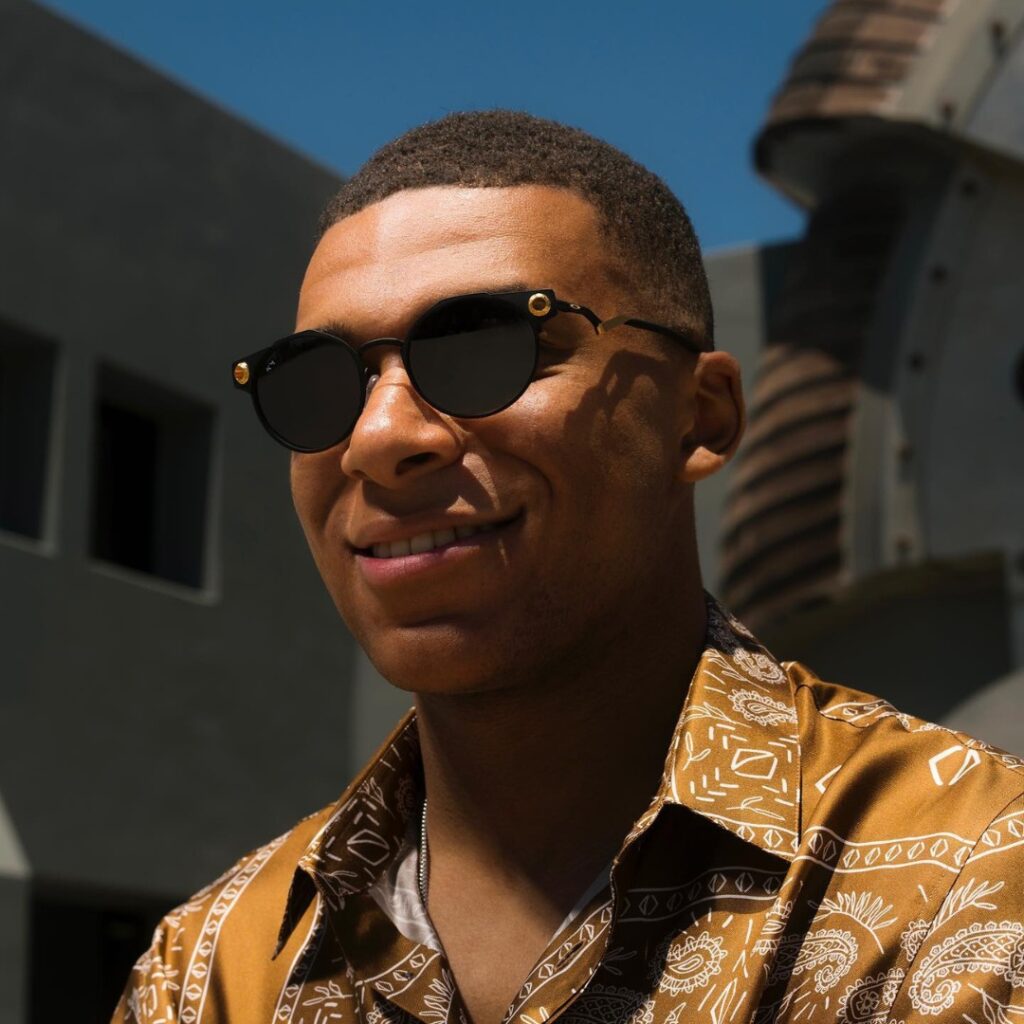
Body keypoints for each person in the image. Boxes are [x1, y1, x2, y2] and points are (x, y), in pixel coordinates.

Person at [113, 111, 1024, 1024]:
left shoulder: (976, 881)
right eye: (314, 382)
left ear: (701, 416)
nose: (379, 437)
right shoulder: (207, 970)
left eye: (486, 349)